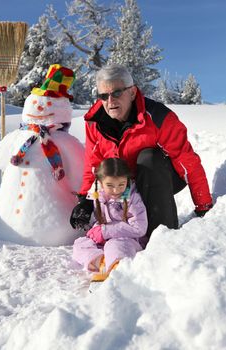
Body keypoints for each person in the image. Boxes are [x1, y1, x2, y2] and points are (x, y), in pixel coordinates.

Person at [70, 64, 213, 244]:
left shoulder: (158, 117)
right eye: (103, 96)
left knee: (148, 158)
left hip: (163, 176)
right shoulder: (94, 123)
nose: (110, 101)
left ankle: (162, 238)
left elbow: (187, 161)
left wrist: (204, 205)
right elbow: (94, 165)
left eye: (116, 93)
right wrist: (85, 200)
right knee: (110, 173)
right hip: (126, 184)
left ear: (132, 92)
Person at [72, 157, 148, 281]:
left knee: (115, 245)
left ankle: (116, 270)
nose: (116, 190)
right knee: (80, 244)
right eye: (110, 185)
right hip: (105, 240)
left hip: (128, 240)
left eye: (121, 185)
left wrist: (105, 231)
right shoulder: (100, 196)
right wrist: (97, 231)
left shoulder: (133, 199)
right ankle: (101, 263)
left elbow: (139, 228)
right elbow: (102, 220)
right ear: (101, 183)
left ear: (127, 181)